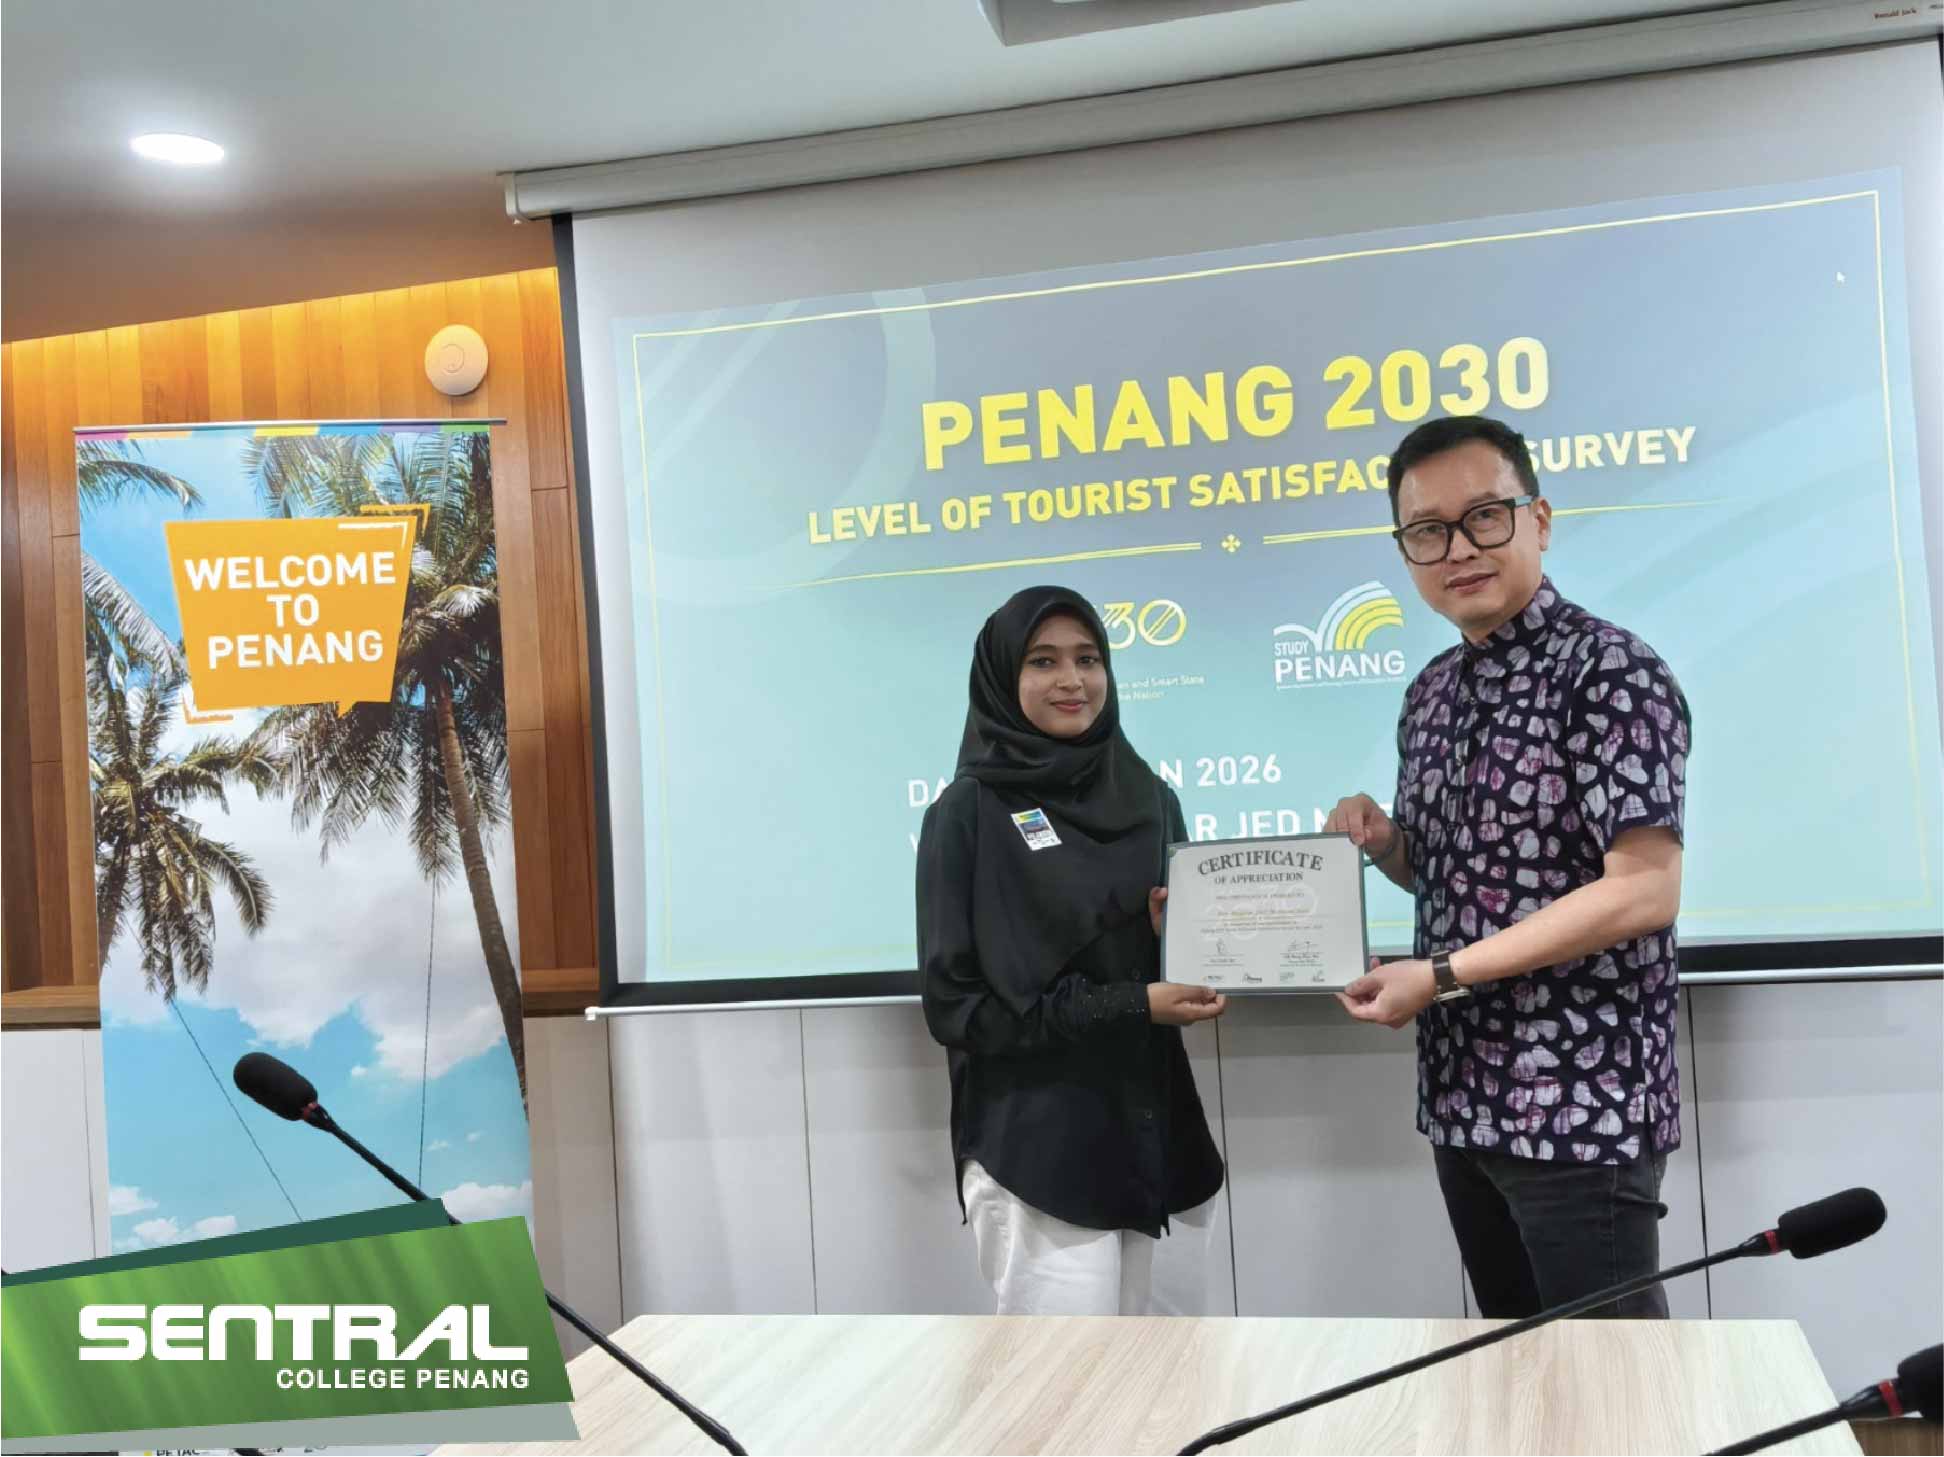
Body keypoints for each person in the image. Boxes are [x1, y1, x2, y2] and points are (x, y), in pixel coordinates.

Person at [1325, 415, 1690, 1319]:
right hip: (1463, 1095)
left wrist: (1441, 974)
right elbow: (1453, 881)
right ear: (1406, 551)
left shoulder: (1609, 670)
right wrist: (1388, 844)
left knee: (1612, 1380)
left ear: (1540, 519)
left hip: (1579, 1104)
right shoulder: (1431, 694)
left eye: (1484, 516)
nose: (1459, 549)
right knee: (1514, 1367)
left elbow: (1644, 889)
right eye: (1428, 530)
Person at [917, 585, 1227, 1316]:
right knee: (1065, 1383)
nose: (1072, 680)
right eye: (1043, 661)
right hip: (1042, 1156)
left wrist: (1186, 948)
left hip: (1161, 1141)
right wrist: (1133, 1002)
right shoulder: (967, 814)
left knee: (1175, 1374)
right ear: (1003, 676)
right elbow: (956, 1009)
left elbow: (1179, 968)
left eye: (1089, 659)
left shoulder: (1152, 797)